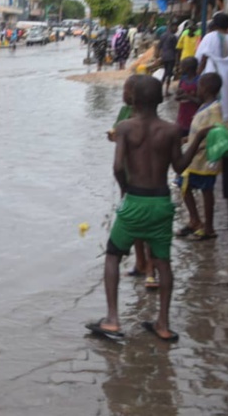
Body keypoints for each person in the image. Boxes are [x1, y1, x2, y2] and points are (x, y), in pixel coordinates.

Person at [86, 75, 211, 342]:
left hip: (135, 200)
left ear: (133, 98)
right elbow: (179, 167)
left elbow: (118, 167)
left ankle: (112, 319)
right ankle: (163, 325)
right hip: (162, 203)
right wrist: (198, 137)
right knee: (163, 262)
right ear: (159, 99)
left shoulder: (124, 127)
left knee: (113, 255)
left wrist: (125, 190)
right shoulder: (171, 130)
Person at [107, 75, 151, 280]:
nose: (123, 94)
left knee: (146, 223)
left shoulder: (147, 118)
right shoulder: (124, 113)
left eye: (127, 90)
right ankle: (140, 262)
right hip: (126, 175)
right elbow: (117, 134)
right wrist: (112, 136)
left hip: (140, 177)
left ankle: (151, 268)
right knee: (134, 223)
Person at [177, 73, 224, 241]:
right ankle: (195, 221)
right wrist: (186, 139)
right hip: (195, 156)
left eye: (199, 86)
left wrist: (197, 141)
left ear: (204, 89)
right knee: (186, 186)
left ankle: (206, 226)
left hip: (202, 159)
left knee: (201, 189)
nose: (196, 89)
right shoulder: (206, 106)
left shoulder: (214, 109)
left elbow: (215, 130)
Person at [174, 57, 201, 138]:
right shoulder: (183, 79)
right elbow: (178, 94)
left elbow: (201, 101)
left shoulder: (199, 81)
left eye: (182, 66)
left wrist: (188, 97)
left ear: (188, 68)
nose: (180, 68)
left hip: (194, 114)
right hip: (183, 114)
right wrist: (178, 95)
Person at [157, 23, 179, 97]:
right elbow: (176, 49)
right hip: (171, 57)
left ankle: (159, 89)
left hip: (164, 57)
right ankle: (166, 91)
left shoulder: (162, 36)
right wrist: (177, 61)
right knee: (168, 74)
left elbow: (159, 47)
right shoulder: (173, 37)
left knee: (166, 72)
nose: (177, 29)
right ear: (171, 28)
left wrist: (158, 56)